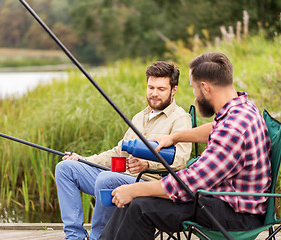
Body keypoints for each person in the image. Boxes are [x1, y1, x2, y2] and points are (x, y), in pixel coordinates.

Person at [99, 52, 271, 240]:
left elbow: (190, 184)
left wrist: (134, 189)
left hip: (235, 215)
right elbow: (215, 128)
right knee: (138, 203)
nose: (194, 96)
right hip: (227, 201)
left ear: (205, 88)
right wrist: (175, 137)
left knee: (140, 207)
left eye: (194, 89)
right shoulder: (243, 109)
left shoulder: (233, 130)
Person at [55, 61, 192, 240]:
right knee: (66, 169)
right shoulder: (139, 117)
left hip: (150, 184)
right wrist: (82, 159)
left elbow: (181, 159)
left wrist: (147, 164)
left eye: (161, 89)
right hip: (121, 177)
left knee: (106, 179)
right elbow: (118, 152)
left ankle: (99, 237)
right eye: (151, 87)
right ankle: (75, 237)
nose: (154, 93)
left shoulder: (180, 119)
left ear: (174, 90)